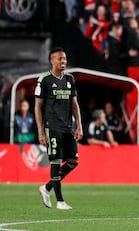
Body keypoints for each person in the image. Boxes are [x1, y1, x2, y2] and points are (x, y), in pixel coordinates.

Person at [35, 47, 83, 210]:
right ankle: (60, 201)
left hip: (68, 127)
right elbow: (37, 107)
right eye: (59, 59)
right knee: (55, 162)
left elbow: (74, 104)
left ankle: (46, 188)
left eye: (64, 59)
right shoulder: (44, 79)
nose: (63, 61)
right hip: (52, 126)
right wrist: (41, 131)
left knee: (73, 162)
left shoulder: (70, 79)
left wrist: (79, 125)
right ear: (51, 61)